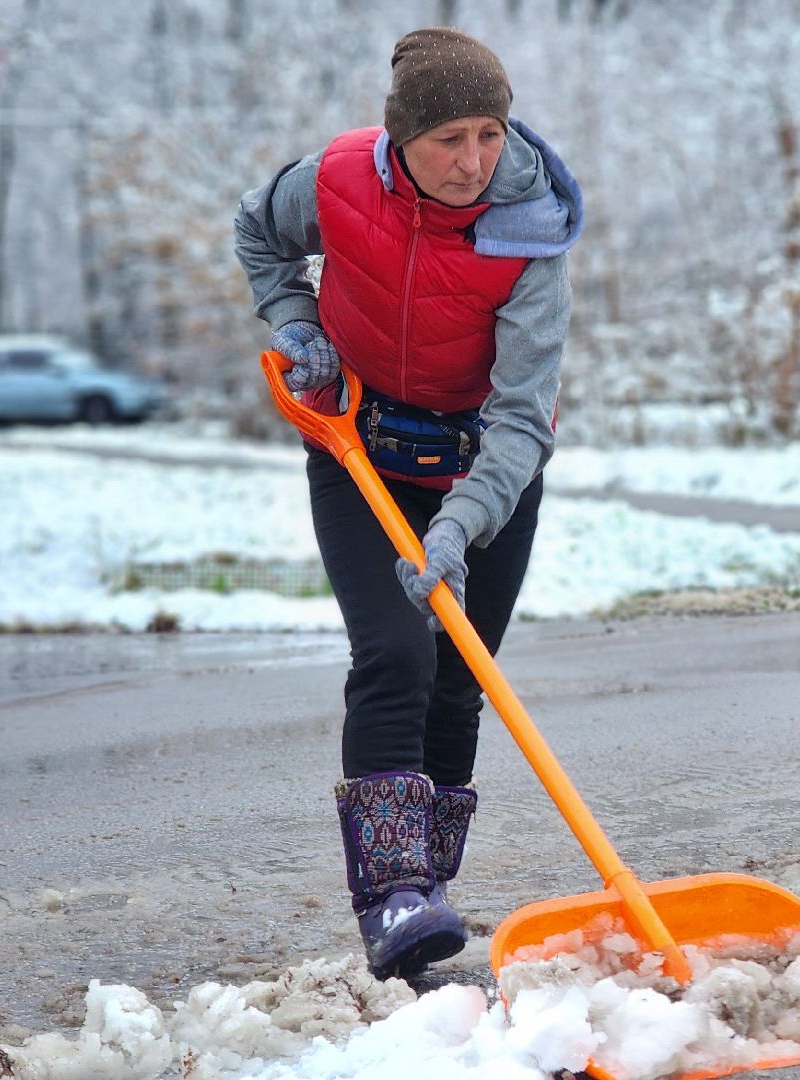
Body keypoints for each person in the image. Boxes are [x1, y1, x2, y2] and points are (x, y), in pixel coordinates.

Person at [233, 27, 582, 979]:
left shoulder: (532, 229)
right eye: (449, 139)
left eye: (489, 133)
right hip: (361, 445)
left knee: (458, 670)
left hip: (488, 461)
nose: (474, 161)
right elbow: (256, 230)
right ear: (401, 143)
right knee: (394, 651)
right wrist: (297, 322)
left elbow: (522, 419)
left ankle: (427, 888)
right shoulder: (339, 180)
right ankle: (393, 898)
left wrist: (461, 528)